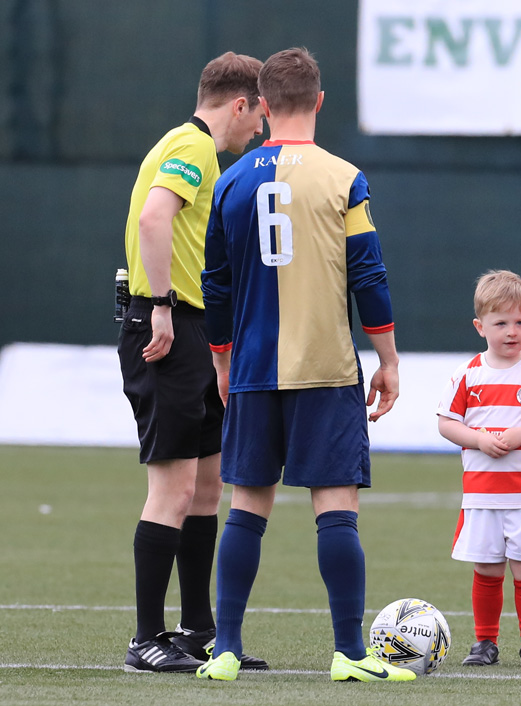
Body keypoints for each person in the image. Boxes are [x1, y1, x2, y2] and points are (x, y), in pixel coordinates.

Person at [195, 47, 415, 683]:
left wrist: (220, 360)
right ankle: (349, 654)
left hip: (256, 370)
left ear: (263, 107)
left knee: (245, 508)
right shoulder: (345, 177)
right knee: (336, 507)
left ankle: (226, 650)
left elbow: (216, 285)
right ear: (319, 101)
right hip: (325, 368)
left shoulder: (230, 180)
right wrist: (389, 359)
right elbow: (368, 276)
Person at [117, 51, 267, 674]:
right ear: (239, 104)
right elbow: (156, 216)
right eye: (257, 115)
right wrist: (159, 305)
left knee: (207, 486)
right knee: (174, 486)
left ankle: (197, 630)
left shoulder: (194, 148)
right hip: (169, 325)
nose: (257, 130)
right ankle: (145, 638)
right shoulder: (194, 145)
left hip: (196, 329)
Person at [437, 270, 521, 668]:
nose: (511, 331)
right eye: (501, 323)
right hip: (481, 495)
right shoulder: (466, 374)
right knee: (487, 566)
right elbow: (446, 423)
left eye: (520, 322)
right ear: (480, 326)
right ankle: (484, 643)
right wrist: (477, 439)